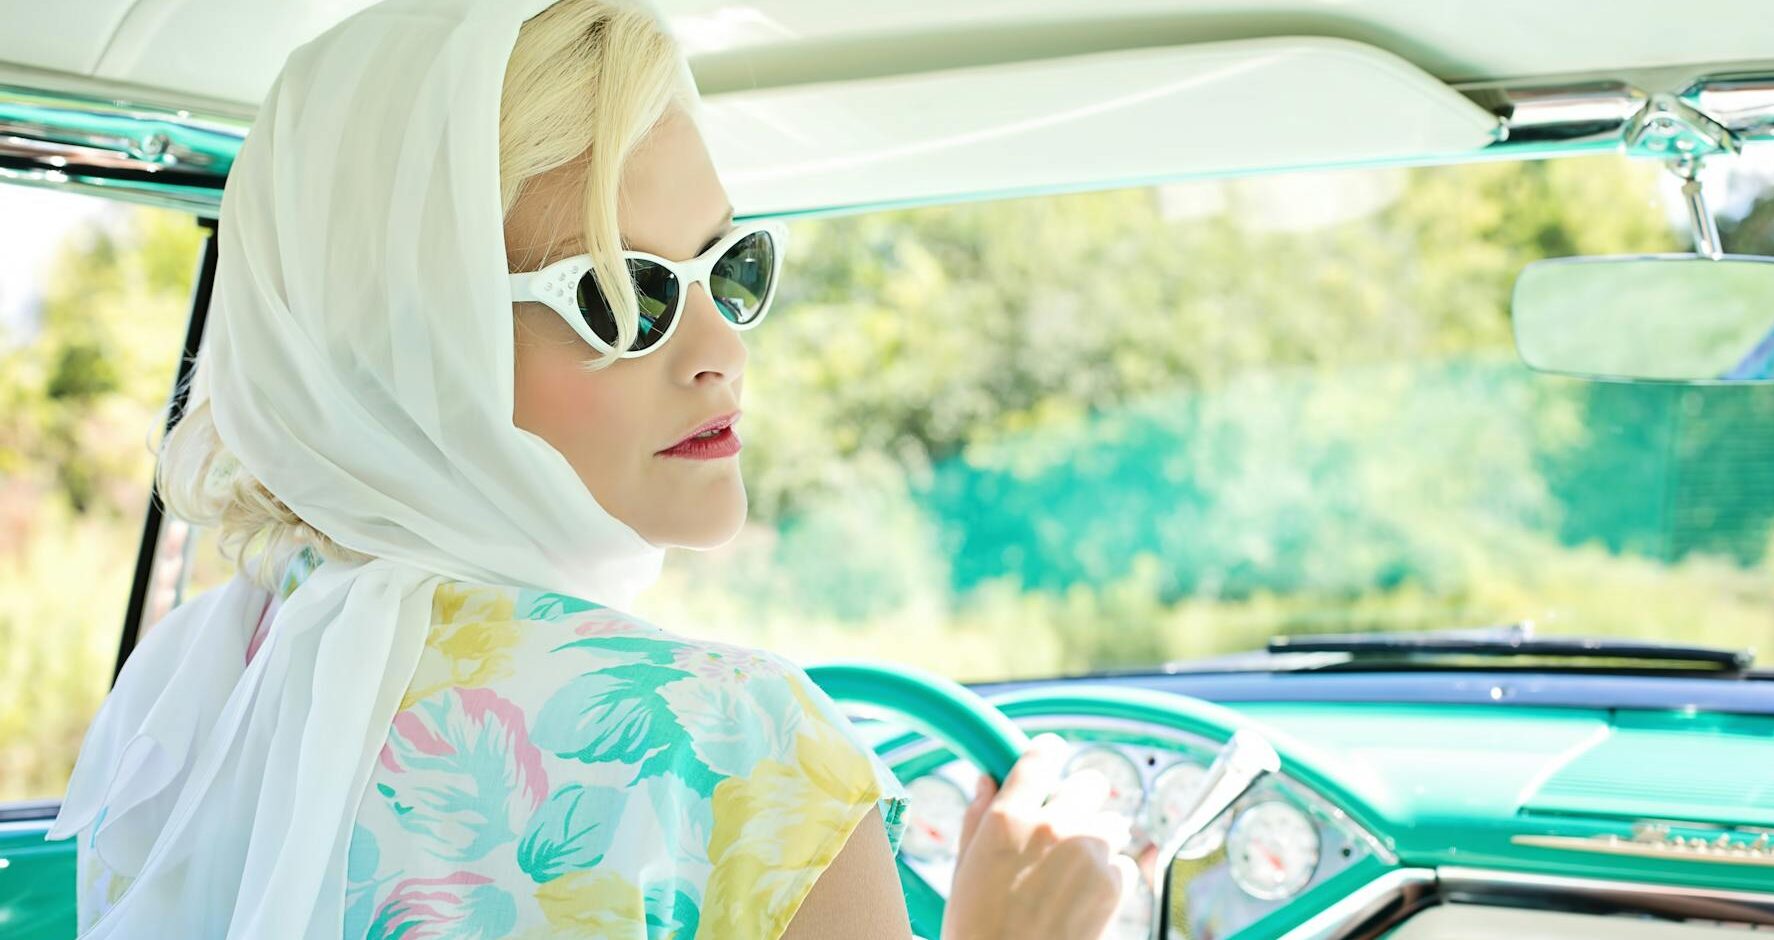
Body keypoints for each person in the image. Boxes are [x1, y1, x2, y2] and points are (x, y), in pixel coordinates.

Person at [48, 0, 1137, 937]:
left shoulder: (192, 690)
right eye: (621, 296)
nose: (719, 348)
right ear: (421, 349)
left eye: (731, 266)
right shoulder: (735, 741)